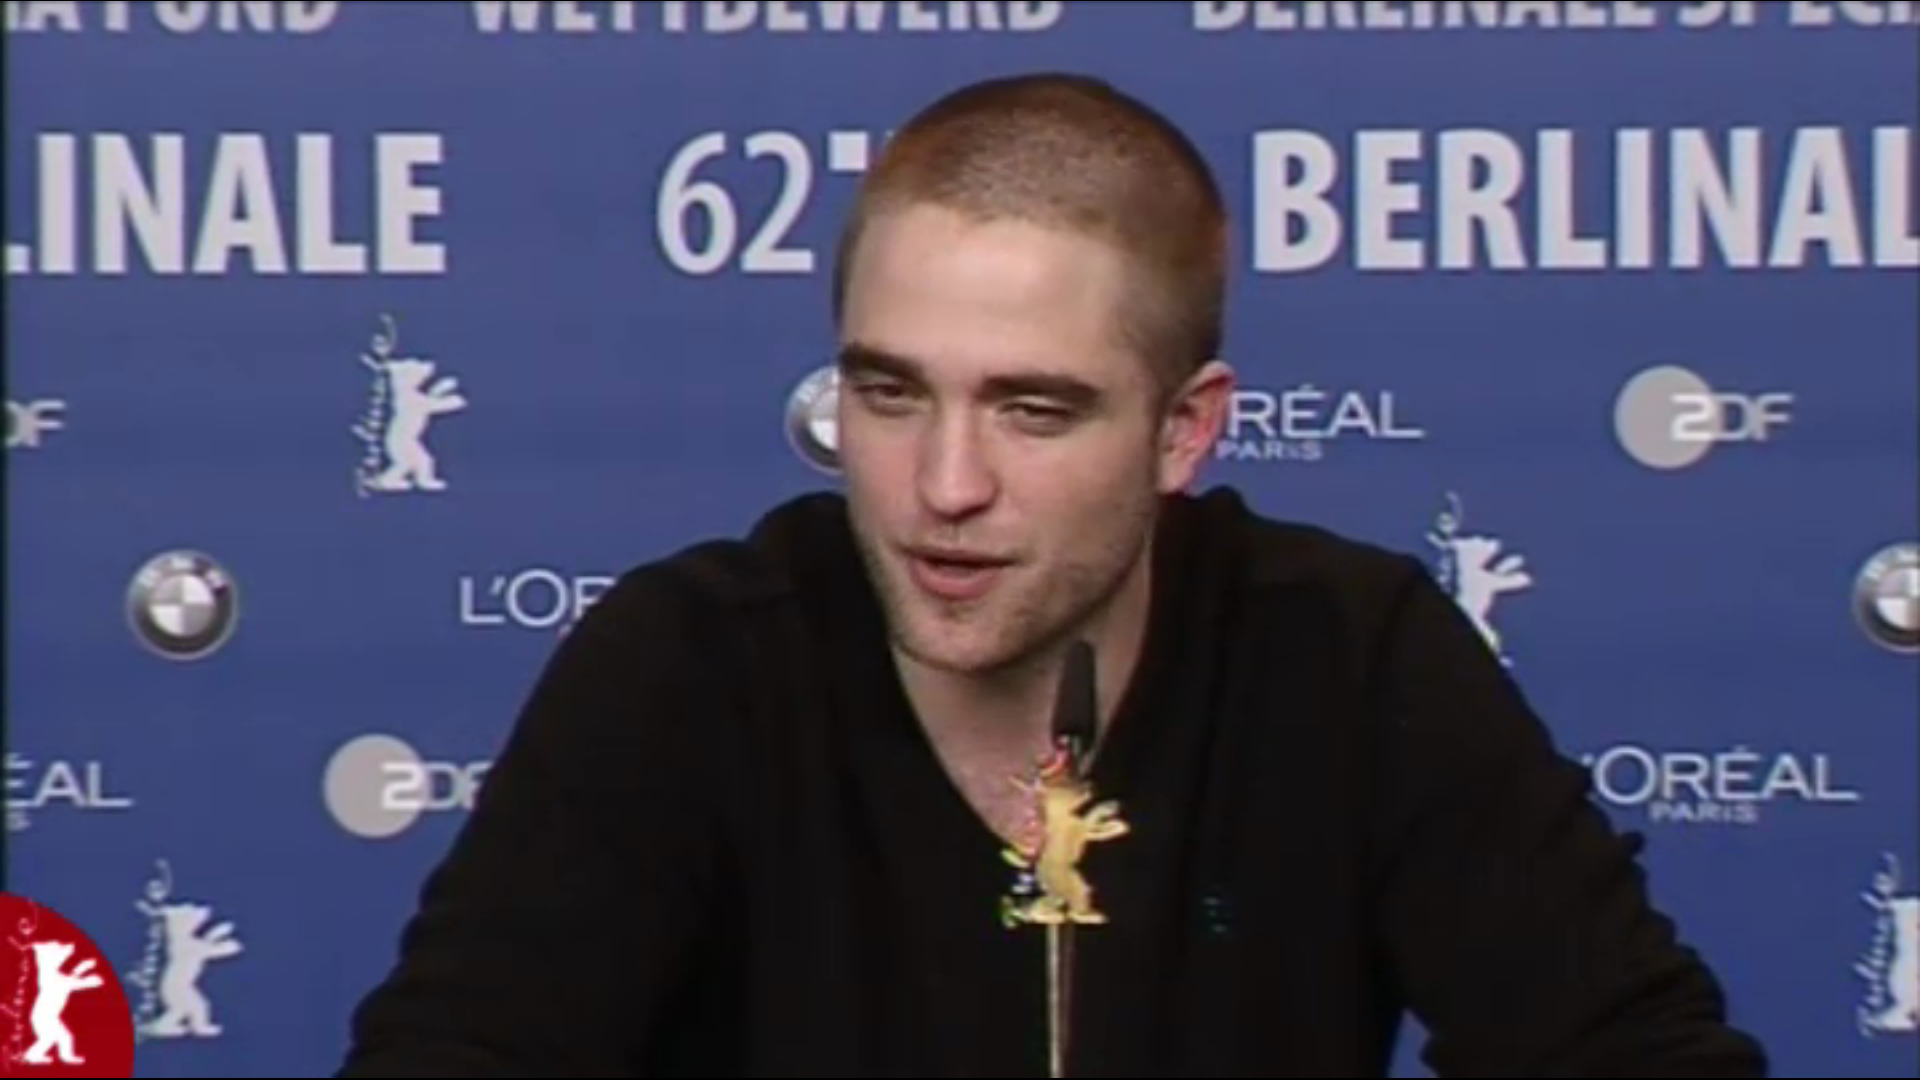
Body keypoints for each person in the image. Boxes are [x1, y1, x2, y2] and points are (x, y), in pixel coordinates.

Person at [334, 72, 1769, 1077]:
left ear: (1184, 430)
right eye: (891, 394)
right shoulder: (694, 661)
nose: (945, 485)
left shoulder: (1346, 652)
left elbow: (1633, 1053)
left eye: (1033, 410)